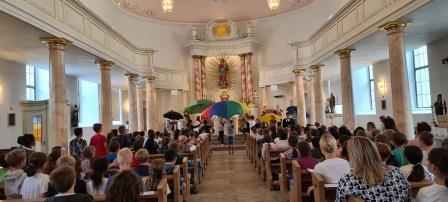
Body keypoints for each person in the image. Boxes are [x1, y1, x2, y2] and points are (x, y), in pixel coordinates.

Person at [336, 137, 411, 201]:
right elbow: (408, 196)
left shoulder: (348, 180)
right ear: (374, 151)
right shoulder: (396, 172)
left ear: (352, 157)